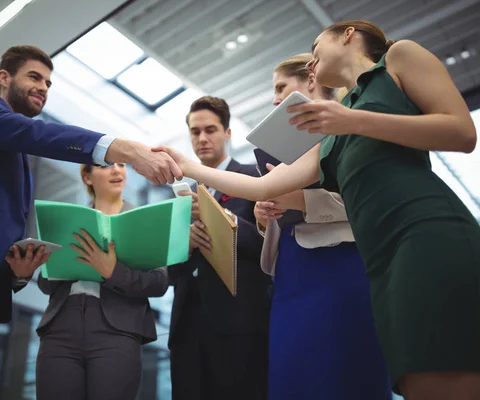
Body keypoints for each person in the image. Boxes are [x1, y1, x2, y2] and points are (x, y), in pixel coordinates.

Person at [154, 20, 480, 399]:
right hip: (379, 257)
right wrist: (184, 165)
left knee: (448, 367)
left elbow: (462, 132)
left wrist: (348, 119)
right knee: (416, 379)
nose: (311, 60)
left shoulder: (398, 57)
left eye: (315, 46)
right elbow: (261, 187)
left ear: (348, 33)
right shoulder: (330, 130)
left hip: (424, 228)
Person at [0, 45, 182, 400]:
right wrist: (127, 149)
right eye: (34, 77)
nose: (44, 87)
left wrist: (19, 272)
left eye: (48, 82)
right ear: (4, 78)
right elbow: (40, 135)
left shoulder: (14, 153)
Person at [255, 53, 390, 399]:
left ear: (310, 81)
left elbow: (368, 198)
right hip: (291, 272)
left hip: (341, 265)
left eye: (281, 87)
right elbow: (282, 212)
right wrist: (264, 213)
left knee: (346, 371)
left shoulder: (350, 124)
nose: (274, 99)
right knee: (292, 375)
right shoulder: (280, 139)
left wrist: (299, 200)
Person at [35, 162, 168, 400]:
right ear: (87, 177)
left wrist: (112, 271)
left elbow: (159, 282)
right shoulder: (67, 221)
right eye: (105, 165)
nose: (117, 170)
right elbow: (45, 283)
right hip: (60, 328)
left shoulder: (144, 220)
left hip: (117, 330)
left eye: (121, 164)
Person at [168, 96, 270, 400]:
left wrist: (220, 217)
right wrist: (182, 246)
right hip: (187, 325)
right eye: (195, 131)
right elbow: (170, 271)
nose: (202, 138)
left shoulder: (255, 178)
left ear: (227, 133)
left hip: (240, 322)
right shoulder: (181, 197)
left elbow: (265, 243)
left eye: (210, 130)